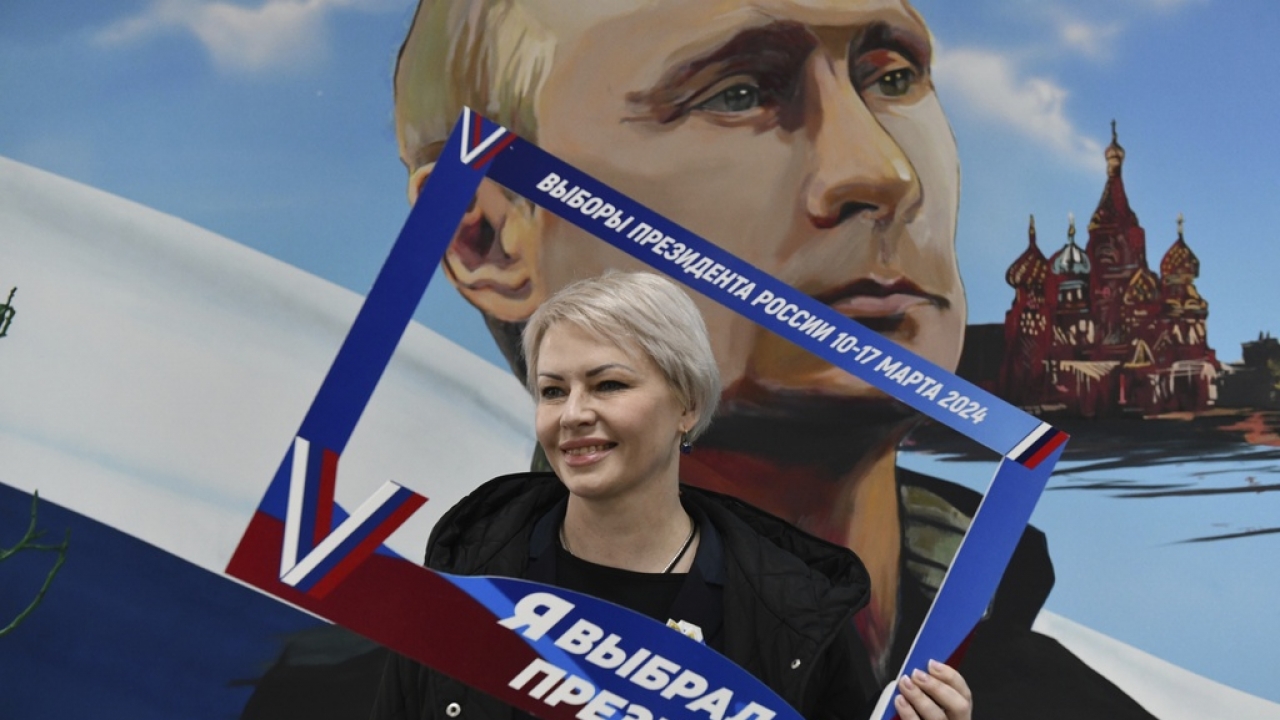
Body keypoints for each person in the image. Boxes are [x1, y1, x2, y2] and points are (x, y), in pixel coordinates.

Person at [372, 271, 972, 720]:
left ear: (686, 404)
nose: (574, 414)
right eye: (553, 391)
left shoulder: (792, 609)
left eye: (608, 384)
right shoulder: (468, 564)